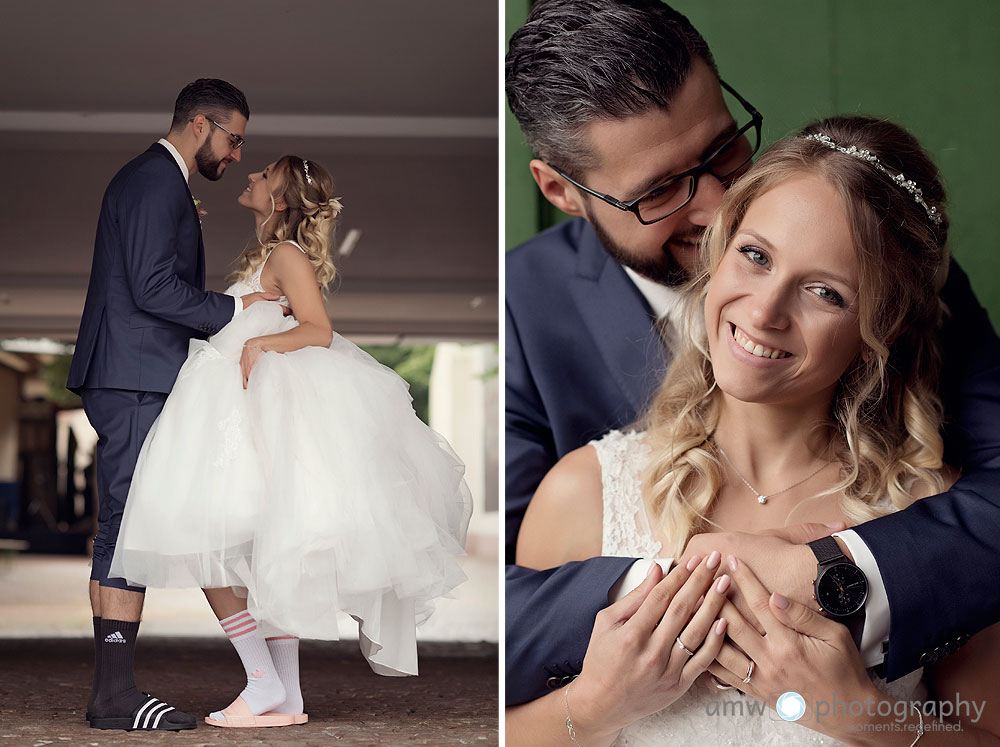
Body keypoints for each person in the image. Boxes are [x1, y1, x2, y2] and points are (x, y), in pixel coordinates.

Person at [504, 0, 1000, 703]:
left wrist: (837, 571)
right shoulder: (522, 309)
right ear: (562, 191)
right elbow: (506, 600)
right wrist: (679, 591)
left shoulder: (892, 255)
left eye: (723, 151)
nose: (715, 206)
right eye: (662, 191)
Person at [108, 155, 473, 728]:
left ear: (278, 199)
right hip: (240, 411)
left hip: (261, 409)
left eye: (261, 176)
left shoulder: (286, 255)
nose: (248, 177)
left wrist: (262, 347)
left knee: (211, 544)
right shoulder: (268, 255)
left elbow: (318, 329)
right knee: (253, 553)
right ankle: (287, 695)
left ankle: (262, 680)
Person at [65, 78, 280, 731]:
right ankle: (114, 696)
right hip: (133, 373)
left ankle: (115, 689)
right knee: (126, 529)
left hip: (128, 370)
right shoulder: (157, 181)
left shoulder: (157, 184)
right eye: (233, 138)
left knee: (121, 527)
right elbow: (155, 287)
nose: (238, 155)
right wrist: (233, 307)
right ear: (200, 125)